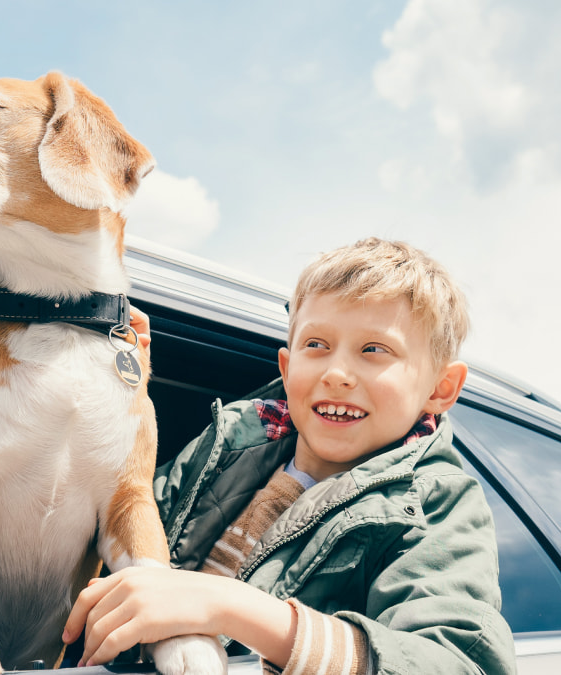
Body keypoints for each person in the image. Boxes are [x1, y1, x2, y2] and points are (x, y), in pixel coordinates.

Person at [67, 237, 516, 674]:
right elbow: (106, 522)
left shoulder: (438, 505)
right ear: (286, 367)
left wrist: (228, 606)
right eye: (316, 345)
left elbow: (462, 662)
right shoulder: (227, 446)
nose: (336, 373)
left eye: (373, 350)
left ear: (441, 389)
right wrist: (113, 395)